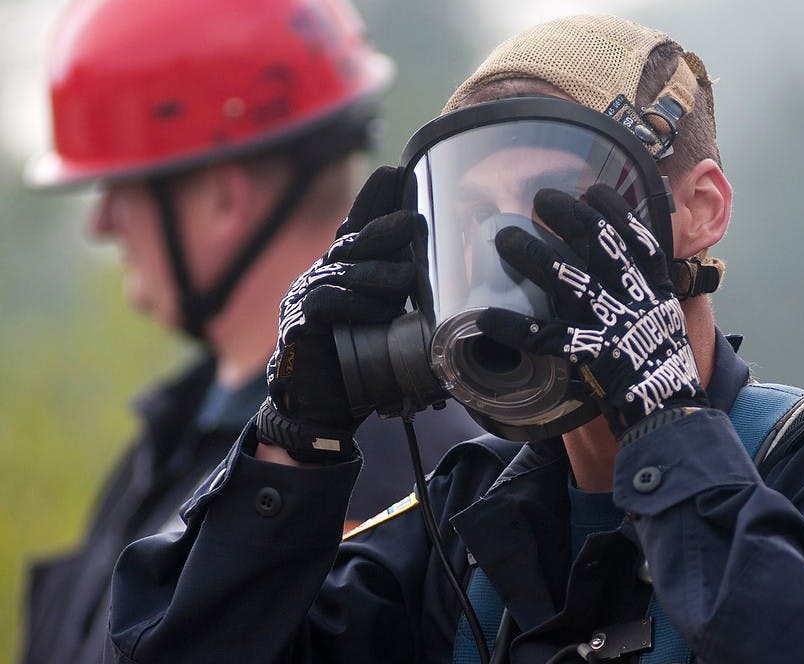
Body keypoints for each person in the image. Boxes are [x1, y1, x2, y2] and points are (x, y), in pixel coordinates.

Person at [104, 14, 804, 663]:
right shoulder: (458, 529)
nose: (510, 256)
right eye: (473, 219)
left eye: (548, 206)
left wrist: (668, 433)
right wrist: (289, 447)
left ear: (699, 210)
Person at [20, 1, 481, 662]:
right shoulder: (176, 432)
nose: (101, 224)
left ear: (222, 199)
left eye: (121, 187)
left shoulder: (393, 462)